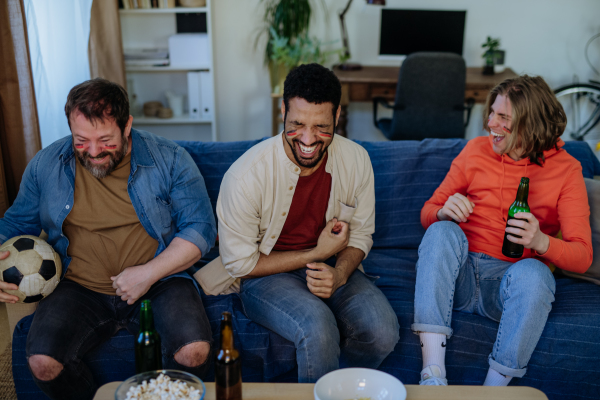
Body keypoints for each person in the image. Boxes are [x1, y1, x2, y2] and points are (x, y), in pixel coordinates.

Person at [0, 78, 217, 400]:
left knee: (194, 351)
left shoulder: (169, 158)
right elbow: (16, 224)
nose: (93, 151)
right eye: (81, 140)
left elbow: (200, 228)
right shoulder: (46, 165)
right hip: (78, 287)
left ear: (127, 126)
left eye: (105, 140)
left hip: (159, 281)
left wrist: (148, 273)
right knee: (43, 362)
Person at [195, 63, 399, 383]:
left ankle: (337, 385)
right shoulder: (245, 176)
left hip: (333, 263)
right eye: (298, 124)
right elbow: (239, 264)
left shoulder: (356, 159)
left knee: (383, 332)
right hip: (265, 273)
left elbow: (361, 233)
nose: (308, 139)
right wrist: (313, 253)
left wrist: (341, 272)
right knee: (317, 329)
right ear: (282, 111)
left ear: (337, 115)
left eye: (321, 126)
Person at [412, 75, 592, 386]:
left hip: (509, 289)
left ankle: (493, 392)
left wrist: (540, 241)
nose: (490, 123)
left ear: (529, 125)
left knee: (538, 274)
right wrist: (443, 212)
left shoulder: (567, 170)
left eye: (503, 117)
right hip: (458, 278)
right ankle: (432, 376)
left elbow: (583, 256)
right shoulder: (475, 151)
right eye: (492, 113)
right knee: (441, 232)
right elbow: (427, 212)